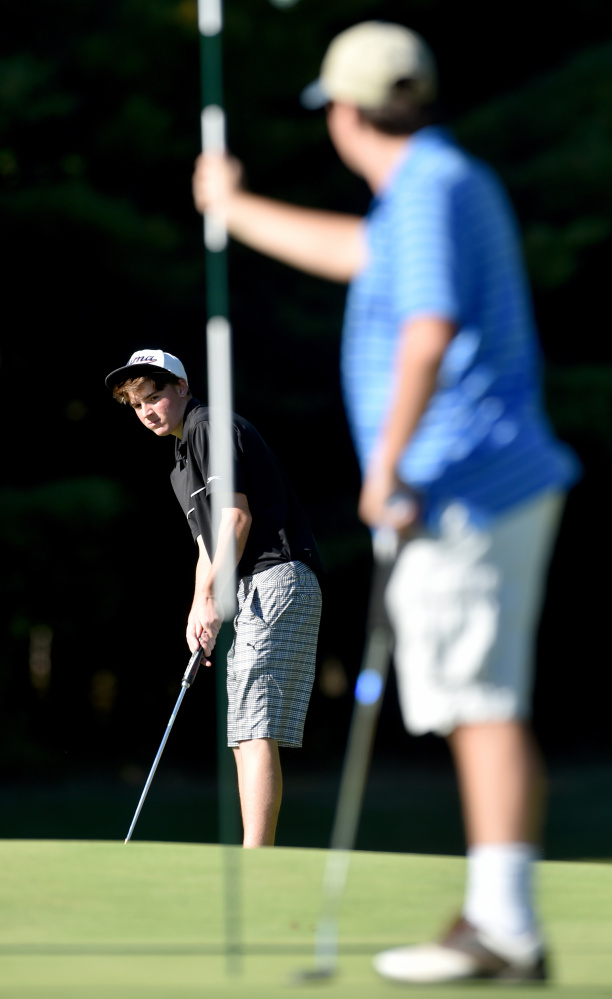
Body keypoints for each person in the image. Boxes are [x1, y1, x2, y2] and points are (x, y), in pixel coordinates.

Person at [192, 21, 580, 983]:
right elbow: (361, 254)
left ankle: (504, 927)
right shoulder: (434, 186)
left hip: (461, 483)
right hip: (479, 481)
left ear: (349, 114)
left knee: (481, 702)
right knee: (477, 699)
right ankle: (498, 917)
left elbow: (428, 326)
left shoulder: (429, 191)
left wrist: (389, 462)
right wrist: (236, 208)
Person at [105, 348, 322, 848]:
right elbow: (210, 544)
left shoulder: (207, 426)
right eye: (138, 406)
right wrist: (198, 606)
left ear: (182, 388)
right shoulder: (181, 466)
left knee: (256, 722)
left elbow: (237, 520)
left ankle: (256, 857)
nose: (148, 412)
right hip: (249, 586)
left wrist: (211, 596)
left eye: (155, 397)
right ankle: (255, 852)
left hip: (278, 575)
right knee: (245, 725)